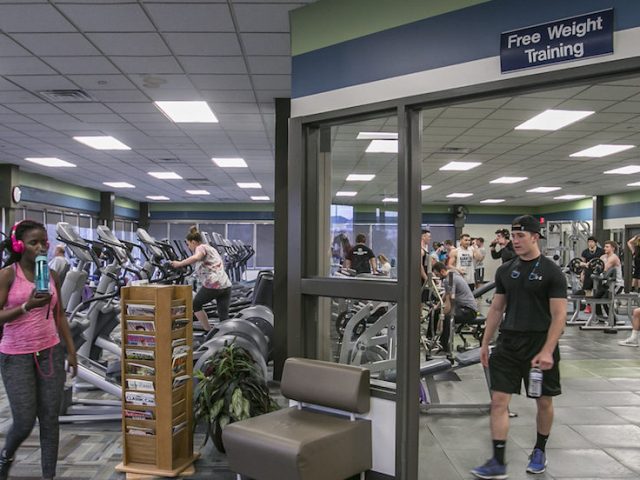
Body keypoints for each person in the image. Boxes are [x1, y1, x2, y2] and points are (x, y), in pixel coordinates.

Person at [471, 215, 567, 479]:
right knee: (498, 401)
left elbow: (559, 316)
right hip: (509, 343)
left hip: (539, 344)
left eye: (520, 236)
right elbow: (497, 308)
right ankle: (498, 461)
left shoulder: (552, 271)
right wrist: (485, 342)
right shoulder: (505, 270)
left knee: (543, 401)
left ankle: (539, 450)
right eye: (513, 236)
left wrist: (548, 349)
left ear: (535, 237)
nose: (515, 241)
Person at [0, 220, 78, 480]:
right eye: (34, 243)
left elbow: (61, 315)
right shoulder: (8, 274)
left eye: (44, 242)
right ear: (20, 246)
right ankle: (5, 456)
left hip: (50, 352)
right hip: (16, 355)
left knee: (49, 420)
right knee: (24, 421)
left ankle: (49, 476)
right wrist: (26, 306)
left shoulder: (52, 275)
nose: (42, 247)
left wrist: (71, 350)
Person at [170, 226, 232, 331]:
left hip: (214, 285)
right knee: (223, 316)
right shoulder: (211, 248)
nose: (188, 247)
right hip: (226, 285)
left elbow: (196, 257)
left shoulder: (200, 248)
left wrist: (179, 264)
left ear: (193, 242)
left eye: (188, 244)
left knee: (196, 304)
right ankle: (226, 338)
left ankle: (208, 330)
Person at [432, 262, 478, 354]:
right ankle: (431, 338)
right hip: (462, 307)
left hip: (469, 311)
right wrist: (436, 307)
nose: (438, 277)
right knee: (436, 311)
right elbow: (447, 293)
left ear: (442, 271)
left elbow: (449, 304)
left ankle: (445, 347)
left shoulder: (449, 279)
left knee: (447, 317)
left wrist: (441, 319)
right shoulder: (451, 275)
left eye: (437, 275)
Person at [593, 240, 623, 320]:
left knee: (605, 300)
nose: (604, 248)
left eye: (607, 247)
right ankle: (600, 318)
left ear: (613, 248)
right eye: (604, 246)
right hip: (606, 284)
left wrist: (598, 271)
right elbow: (596, 266)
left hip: (617, 284)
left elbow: (604, 268)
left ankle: (612, 320)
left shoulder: (614, 257)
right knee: (595, 298)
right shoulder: (603, 257)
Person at [580, 237, 604, 312]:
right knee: (587, 290)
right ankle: (588, 306)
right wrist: (583, 271)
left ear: (595, 243)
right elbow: (581, 262)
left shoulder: (601, 251)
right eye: (589, 242)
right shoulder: (585, 252)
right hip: (588, 272)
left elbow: (603, 262)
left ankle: (597, 307)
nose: (590, 243)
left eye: (592, 242)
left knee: (597, 288)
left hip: (598, 272)